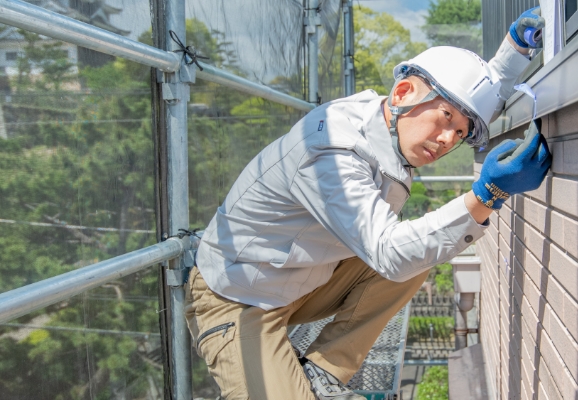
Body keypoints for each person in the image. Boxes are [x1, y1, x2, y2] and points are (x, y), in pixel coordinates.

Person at [185, 7, 550, 400]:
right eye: (444, 118)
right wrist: (486, 195)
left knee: (421, 252)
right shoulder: (331, 151)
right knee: (404, 251)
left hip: (303, 278)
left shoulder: (393, 122)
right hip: (238, 297)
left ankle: (326, 370)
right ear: (403, 92)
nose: (448, 139)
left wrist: (514, 50)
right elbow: (389, 253)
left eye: (460, 132)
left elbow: (471, 101)